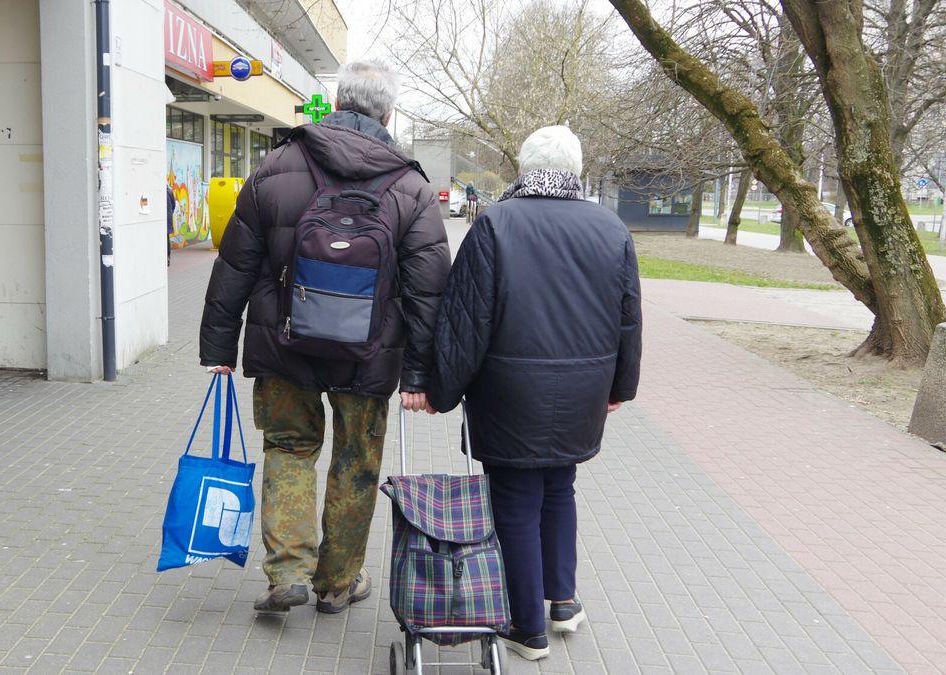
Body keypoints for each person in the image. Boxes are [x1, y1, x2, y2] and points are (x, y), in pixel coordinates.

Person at [199, 60, 450, 616]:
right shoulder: (411, 187)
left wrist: (218, 346)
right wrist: (420, 374)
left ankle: (287, 572)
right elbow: (429, 291)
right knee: (356, 462)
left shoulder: (277, 166)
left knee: (288, 447)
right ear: (388, 114)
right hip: (371, 353)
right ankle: (337, 583)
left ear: (337, 104)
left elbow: (235, 262)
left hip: (282, 343)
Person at [427, 126, 642, 660]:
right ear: (576, 168)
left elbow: (467, 319)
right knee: (560, 487)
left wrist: (441, 388)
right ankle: (562, 601)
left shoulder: (496, 222)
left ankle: (527, 626)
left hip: (510, 390)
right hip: (583, 386)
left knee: (516, 500)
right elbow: (628, 317)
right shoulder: (610, 227)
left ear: (524, 167)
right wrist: (621, 385)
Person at [166, 184, 176, 266]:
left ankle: (167, 258)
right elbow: (173, 205)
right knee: (166, 238)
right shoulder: (169, 191)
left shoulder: (167, 191)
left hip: (164, 219)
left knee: (165, 239)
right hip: (167, 218)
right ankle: (167, 258)